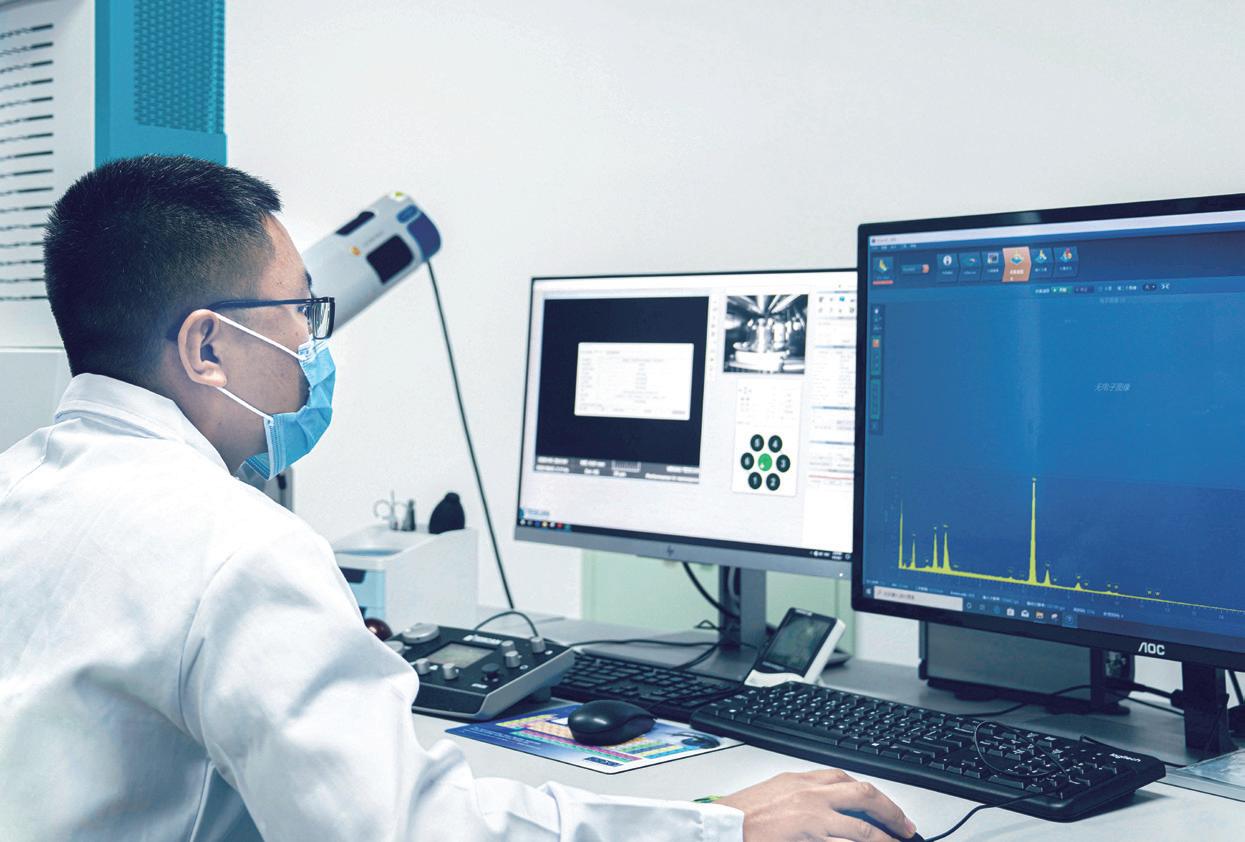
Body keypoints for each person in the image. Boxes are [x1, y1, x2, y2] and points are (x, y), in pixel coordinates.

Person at [0, 155, 918, 841]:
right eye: (301, 314)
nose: (313, 350)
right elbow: (402, 830)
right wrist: (717, 827)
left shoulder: (20, 483)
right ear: (206, 348)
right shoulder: (234, 546)